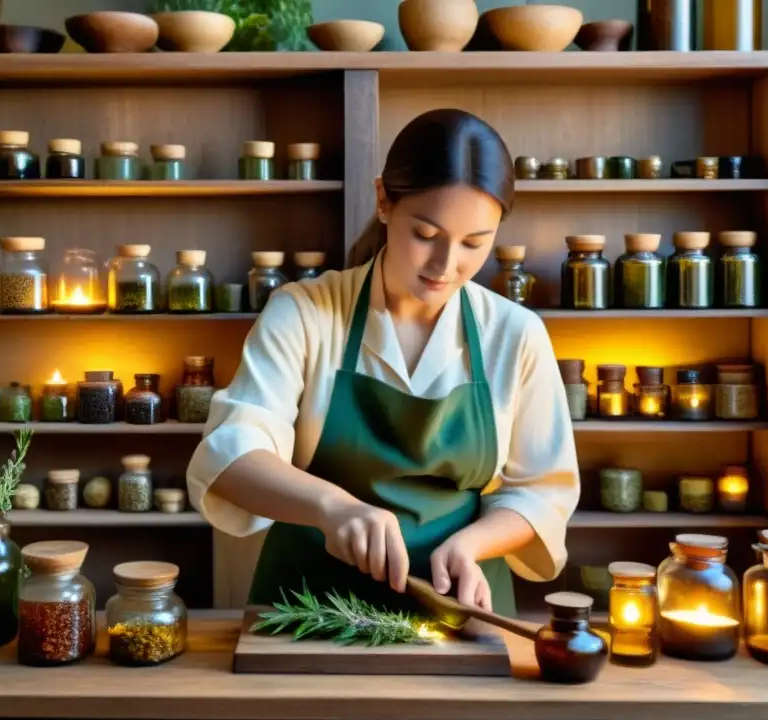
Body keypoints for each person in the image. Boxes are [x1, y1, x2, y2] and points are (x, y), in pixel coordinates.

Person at [187, 108, 580, 617]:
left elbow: (543, 494)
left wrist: (472, 544)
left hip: (455, 609)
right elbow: (232, 455)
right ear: (383, 201)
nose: (446, 265)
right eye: (426, 234)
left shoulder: (515, 334)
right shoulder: (305, 313)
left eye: (473, 244)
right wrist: (334, 508)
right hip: (311, 608)